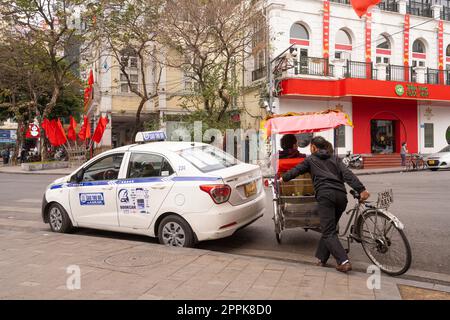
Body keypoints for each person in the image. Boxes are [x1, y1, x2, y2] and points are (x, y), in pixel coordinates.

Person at [279, 136, 370, 273]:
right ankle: (322, 259)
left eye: (311, 147)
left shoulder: (310, 159)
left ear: (314, 148)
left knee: (328, 231)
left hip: (325, 196)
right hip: (341, 197)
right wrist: (361, 189)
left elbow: (296, 171)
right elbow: (348, 174)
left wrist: (283, 178)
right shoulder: (335, 159)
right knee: (330, 228)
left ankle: (343, 261)